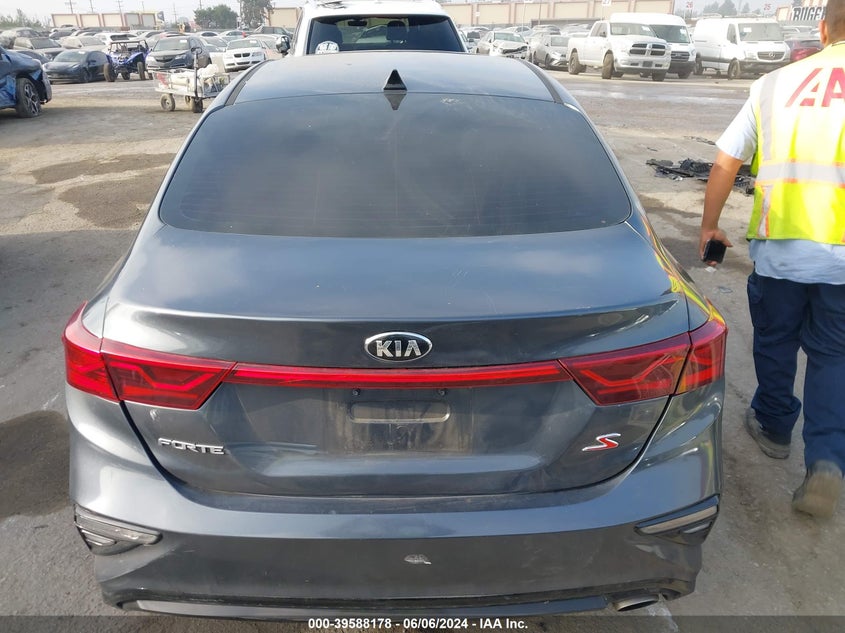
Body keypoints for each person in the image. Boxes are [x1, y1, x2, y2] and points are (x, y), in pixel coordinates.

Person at [699, 0, 845, 519]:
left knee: (777, 339)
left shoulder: (774, 85)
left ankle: (775, 425)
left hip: (781, 250)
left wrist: (710, 226)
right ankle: (826, 460)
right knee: (834, 356)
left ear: (822, 28)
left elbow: (726, 161)